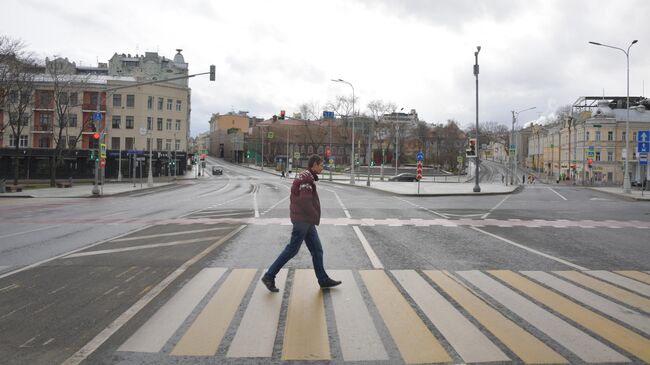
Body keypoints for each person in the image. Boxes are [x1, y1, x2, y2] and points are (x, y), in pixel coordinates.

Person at [262, 155, 341, 292]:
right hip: (303, 220)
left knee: (317, 250)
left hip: (305, 220)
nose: (322, 168)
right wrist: (315, 215)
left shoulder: (305, 176)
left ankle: (323, 279)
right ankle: (269, 275)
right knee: (292, 250)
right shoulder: (307, 178)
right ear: (314, 165)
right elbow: (305, 201)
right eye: (321, 165)